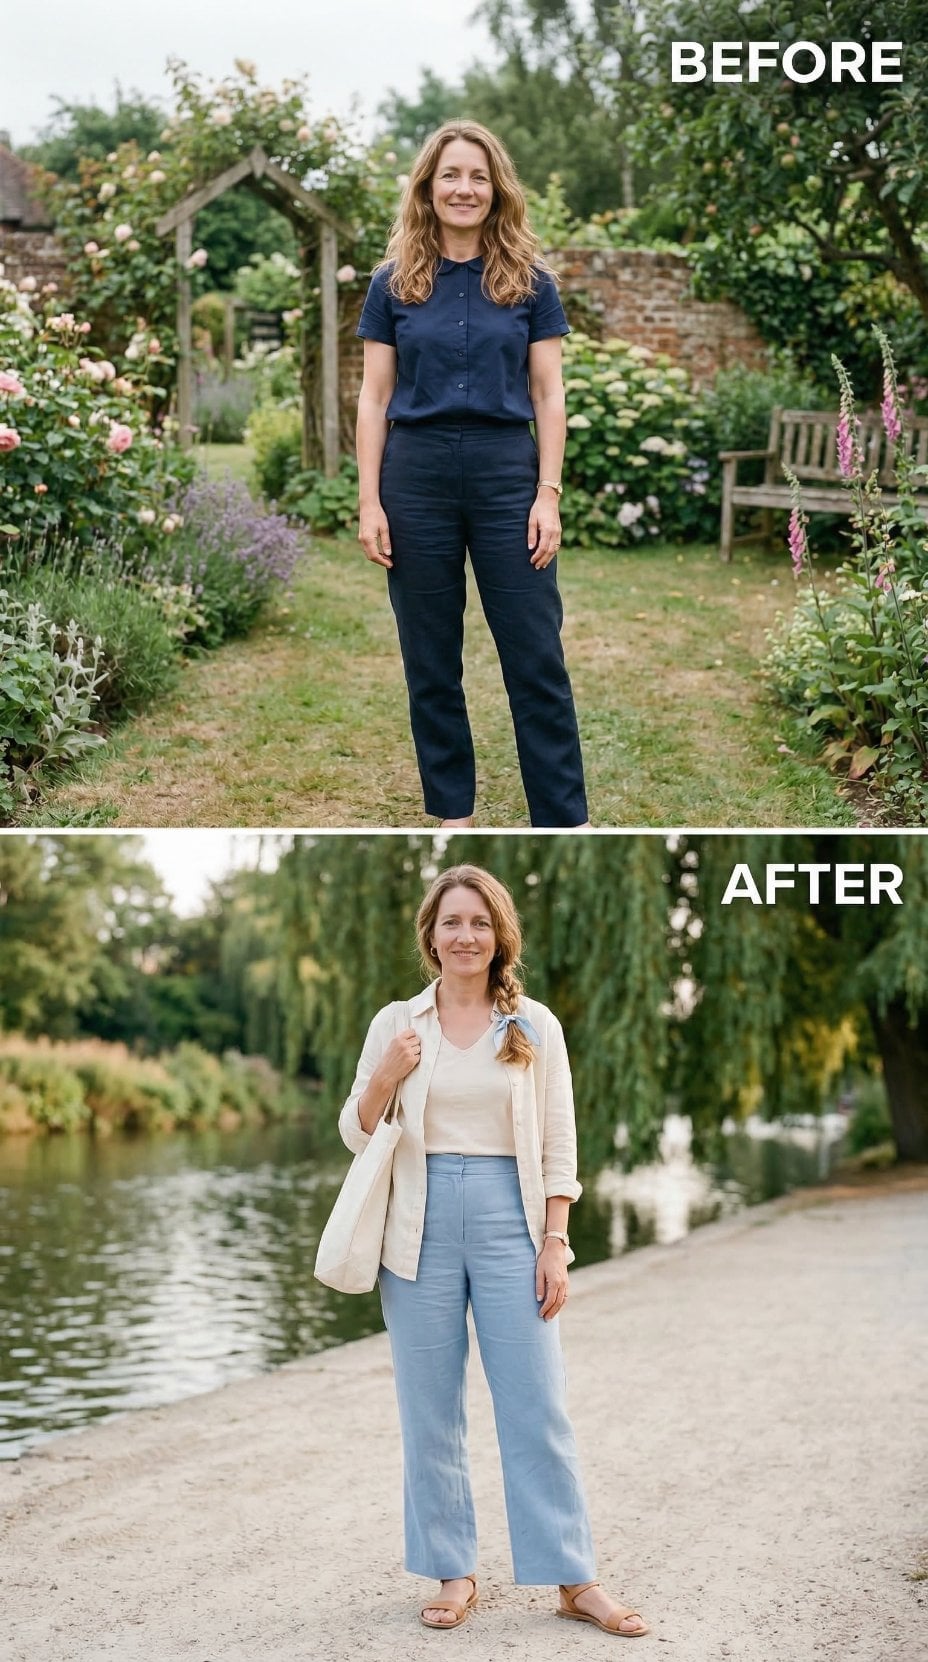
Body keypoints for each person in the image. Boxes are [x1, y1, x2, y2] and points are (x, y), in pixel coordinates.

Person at [338, 863, 648, 1636]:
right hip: (418, 1220)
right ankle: (454, 1571)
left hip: (513, 1219)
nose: (465, 935)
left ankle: (575, 1578)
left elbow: (559, 1140)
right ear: (431, 936)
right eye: (451, 923)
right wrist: (385, 1074)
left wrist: (555, 1240)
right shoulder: (398, 1024)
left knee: (537, 1402)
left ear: (498, 934)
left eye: (479, 922)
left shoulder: (534, 1024)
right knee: (429, 1407)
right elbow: (355, 1130)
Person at [355, 121, 590, 830]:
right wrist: (369, 499)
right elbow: (373, 398)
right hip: (416, 477)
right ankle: (451, 814)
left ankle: (563, 817)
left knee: (535, 652)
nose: (464, 188)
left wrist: (548, 494)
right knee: (430, 659)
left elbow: (549, 395)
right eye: (451, 175)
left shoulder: (531, 283)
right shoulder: (391, 284)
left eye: (478, 177)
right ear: (427, 187)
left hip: (504, 474)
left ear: (497, 190)